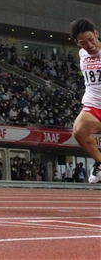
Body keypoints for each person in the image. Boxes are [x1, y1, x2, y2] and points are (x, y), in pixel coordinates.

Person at [69, 18, 101, 184]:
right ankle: (100, 163)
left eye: (91, 40)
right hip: (93, 105)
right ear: (77, 43)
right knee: (79, 131)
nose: (90, 46)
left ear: (97, 34)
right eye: (83, 43)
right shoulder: (82, 54)